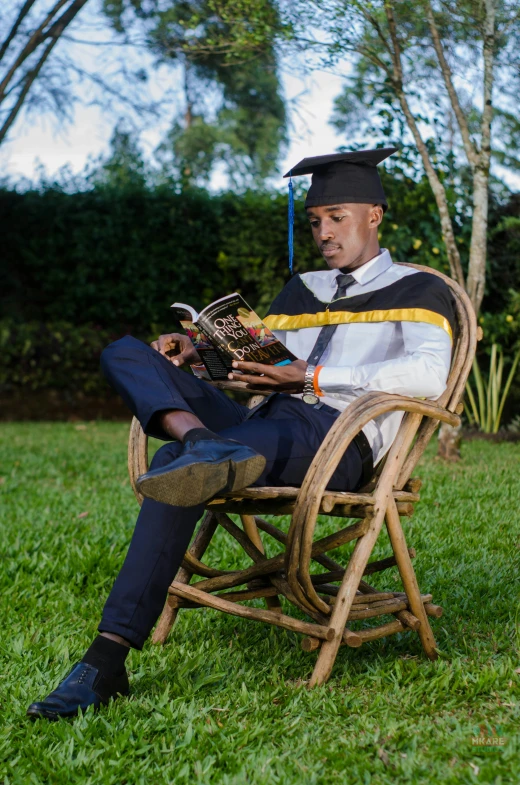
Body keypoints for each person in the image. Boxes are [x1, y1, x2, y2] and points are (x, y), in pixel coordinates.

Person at [27, 148, 455, 720]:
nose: (324, 233)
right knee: (125, 353)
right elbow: (257, 365)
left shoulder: (418, 289)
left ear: (374, 215)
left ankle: (104, 662)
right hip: (261, 422)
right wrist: (202, 356)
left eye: (337, 218)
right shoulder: (303, 289)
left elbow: (430, 376)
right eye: (315, 222)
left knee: (177, 463)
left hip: (335, 440)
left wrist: (313, 376)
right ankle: (203, 440)